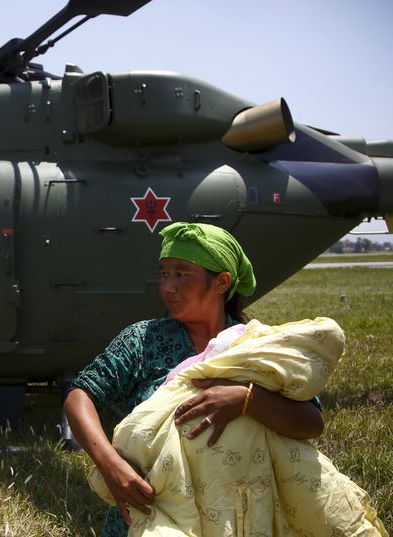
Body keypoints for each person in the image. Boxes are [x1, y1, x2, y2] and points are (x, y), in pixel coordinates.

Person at [63, 222, 325, 537]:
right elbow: (80, 396)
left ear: (222, 282)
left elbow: (311, 422)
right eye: (164, 274)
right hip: (148, 516)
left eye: (182, 274)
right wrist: (110, 465)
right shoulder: (144, 340)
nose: (167, 287)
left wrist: (247, 399)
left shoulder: (256, 346)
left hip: (235, 520)